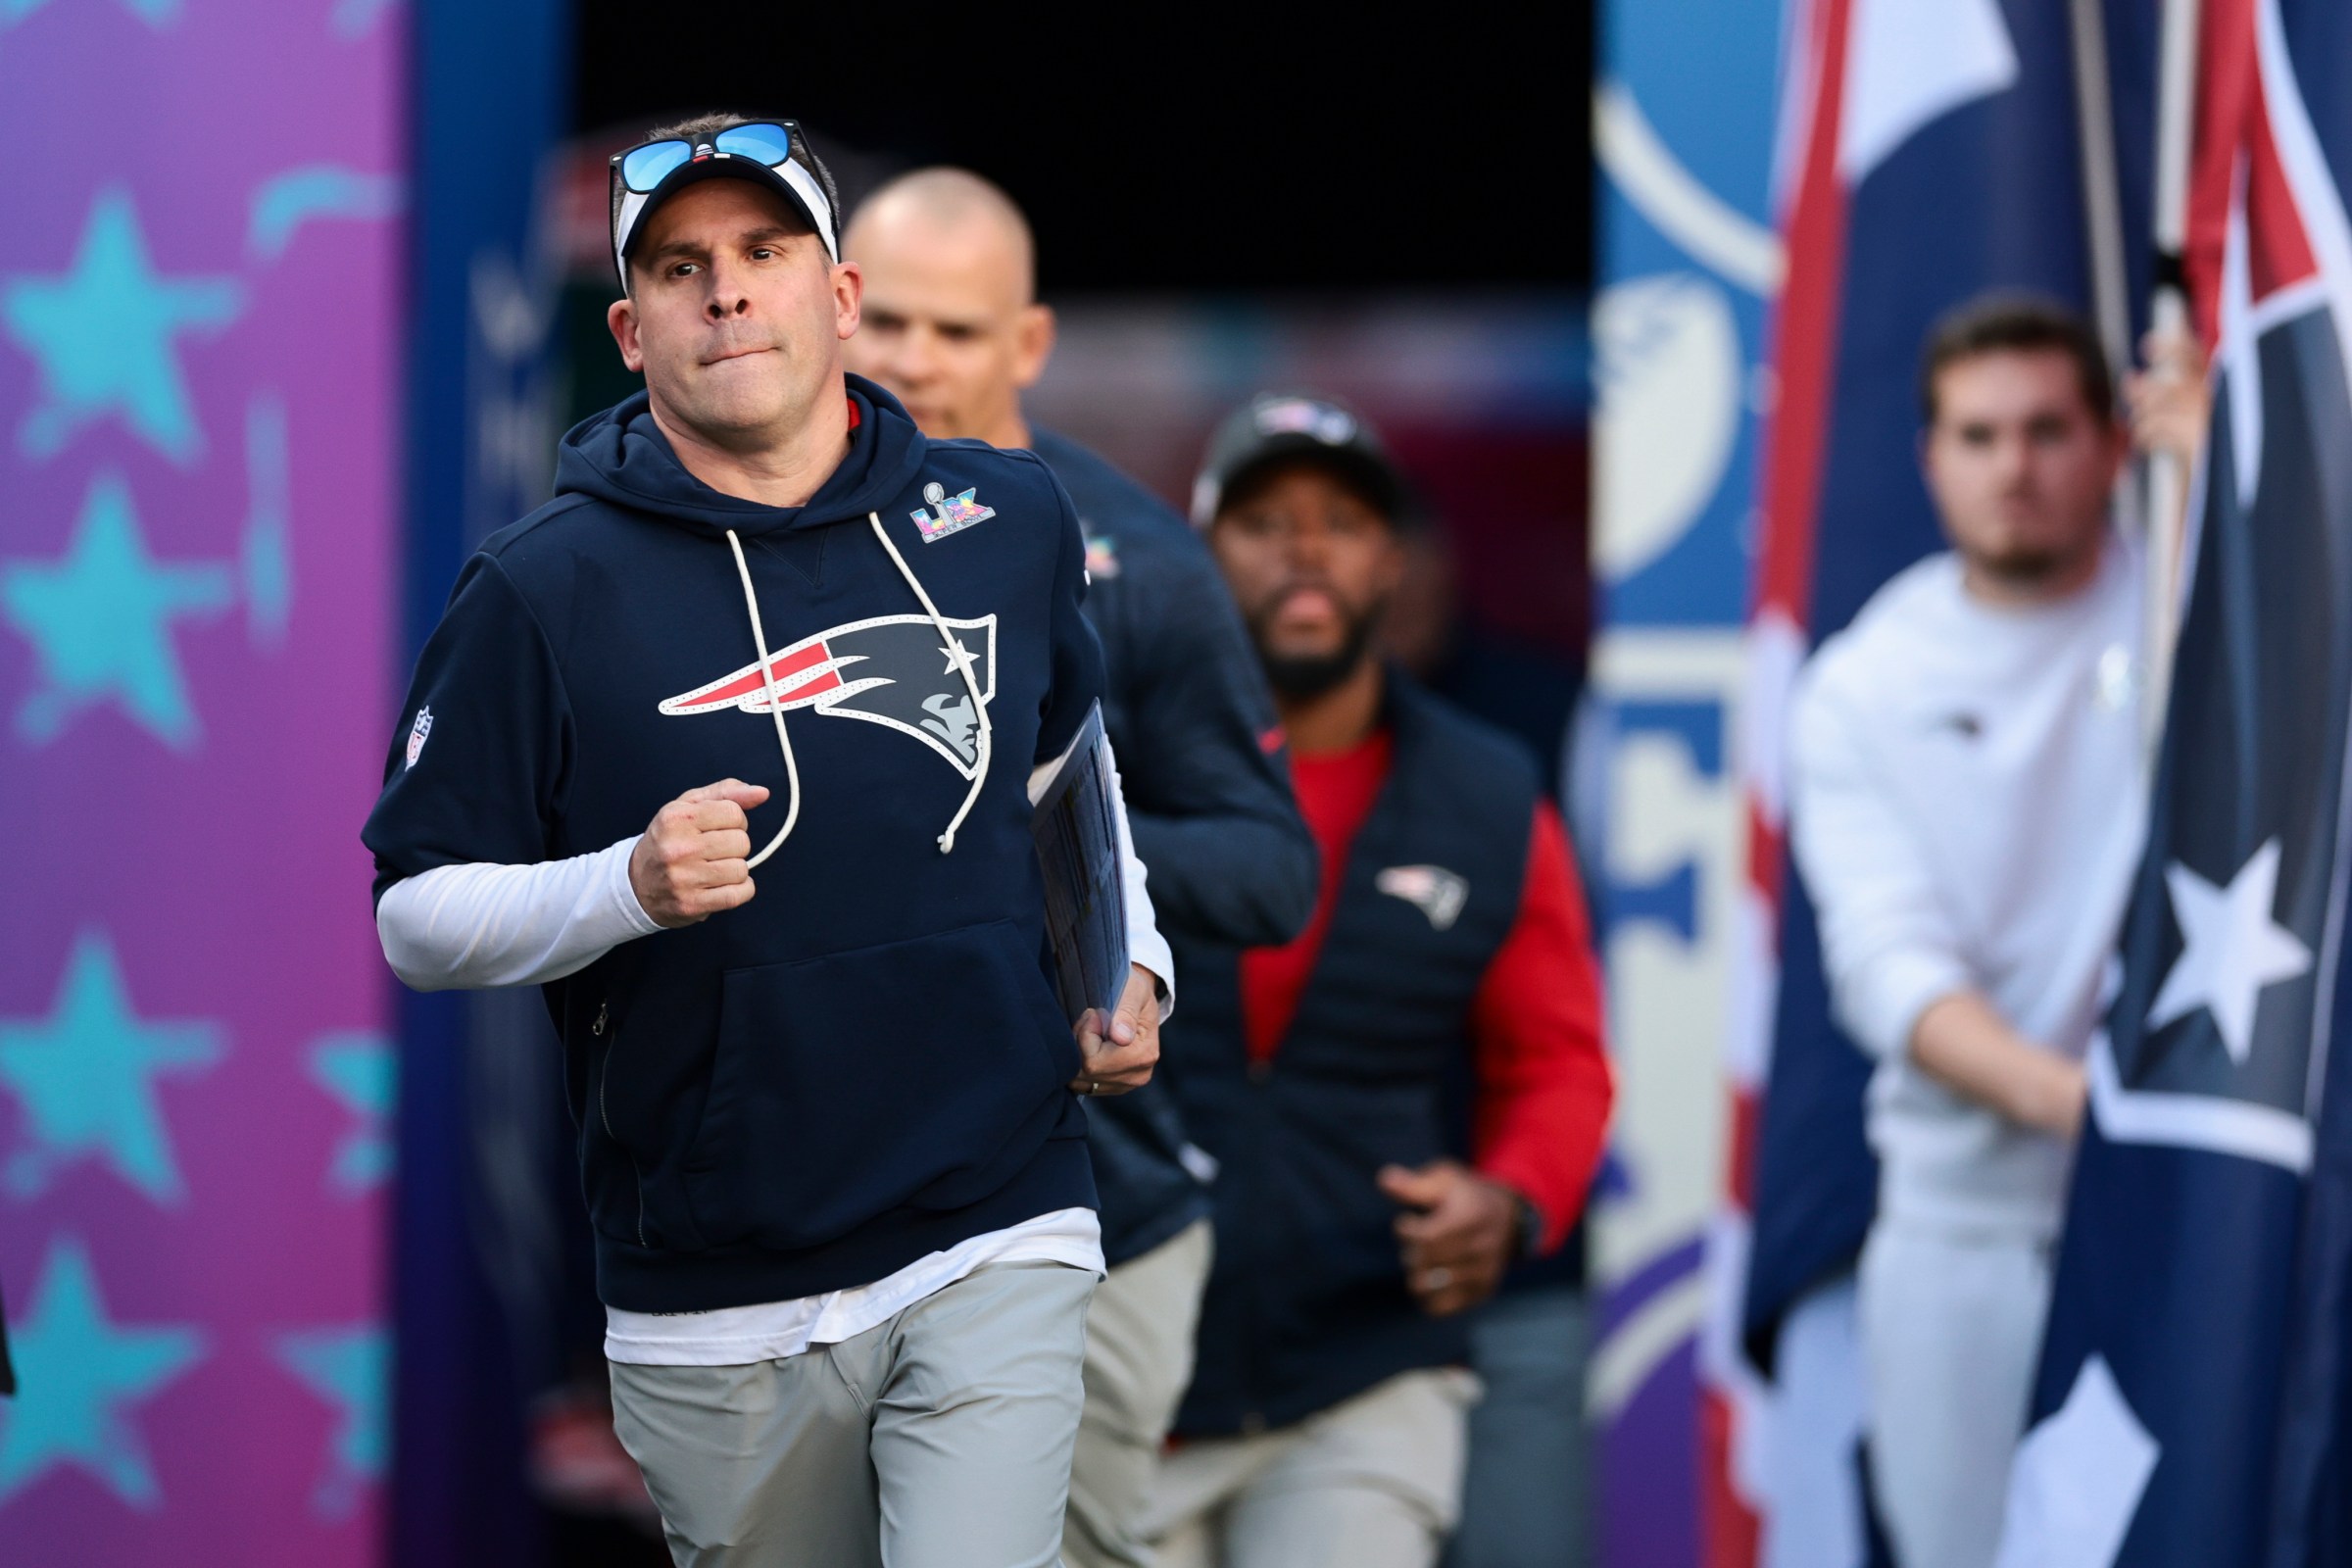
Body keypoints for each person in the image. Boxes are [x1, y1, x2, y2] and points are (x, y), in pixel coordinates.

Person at [363, 113, 1173, 1568]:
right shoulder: (539, 586)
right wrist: (627, 884)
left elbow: (1069, 775)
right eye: (680, 268)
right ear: (629, 329)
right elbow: (415, 916)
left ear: (839, 296)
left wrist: (1132, 962)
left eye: (762, 251)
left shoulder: (1005, 515)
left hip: (999, 1207)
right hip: (716, 1284)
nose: (726, 291)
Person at [842, 170, 1318, 1568]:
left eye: (960, 331)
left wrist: (1043, 843)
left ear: (1031, 347)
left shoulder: (1139, 562)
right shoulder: (743, 537)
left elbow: (1269, 867)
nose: (914, 361)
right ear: (835, 310)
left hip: (1092, 1208)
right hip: (812, 1209)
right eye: (892, 321)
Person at [1143, 394, 1615, 1568]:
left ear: (1393, 559)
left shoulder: (1488, 791)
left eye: (1342, 521)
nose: (1305, 548)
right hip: (1124, 1362)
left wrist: (1507, 1198)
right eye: (1264, 521)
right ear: (1203, 559)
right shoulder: (1108, 765)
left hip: (1365, 1360)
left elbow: (1555, 1057)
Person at [1787, 296, 2205, 1568]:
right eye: (1977, 436)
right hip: (1964, 1243)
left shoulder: (2205, 617)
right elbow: (1890, 974)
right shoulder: (1865, 683)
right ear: (1929, 457)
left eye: (2045, 430)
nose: (2013, 468)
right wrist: (2091, 1105)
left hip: (2206, 1219)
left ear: (2112, 442)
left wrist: (2248, 482)